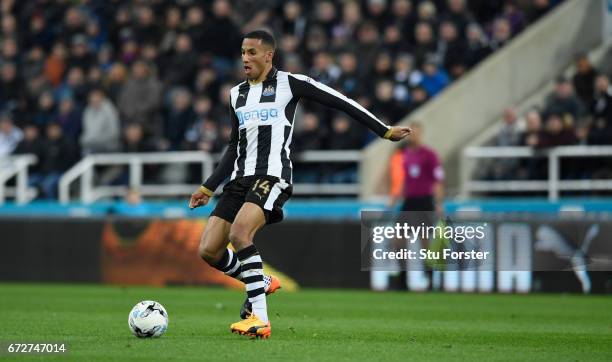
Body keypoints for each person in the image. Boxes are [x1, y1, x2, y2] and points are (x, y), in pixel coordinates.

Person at [188, 30, 411, 339]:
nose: (245, 58)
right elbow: (233, 147)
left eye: (252, 52)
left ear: (268, 55)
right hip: (239, 180)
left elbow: (341, 102)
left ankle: (260, 319)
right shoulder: (236, 94)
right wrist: (208, 187)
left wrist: (383, 130)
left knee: (240, 234)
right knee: (208, 250)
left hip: (272, 175)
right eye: (242, 52)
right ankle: (261, 282)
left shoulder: (290, 84)